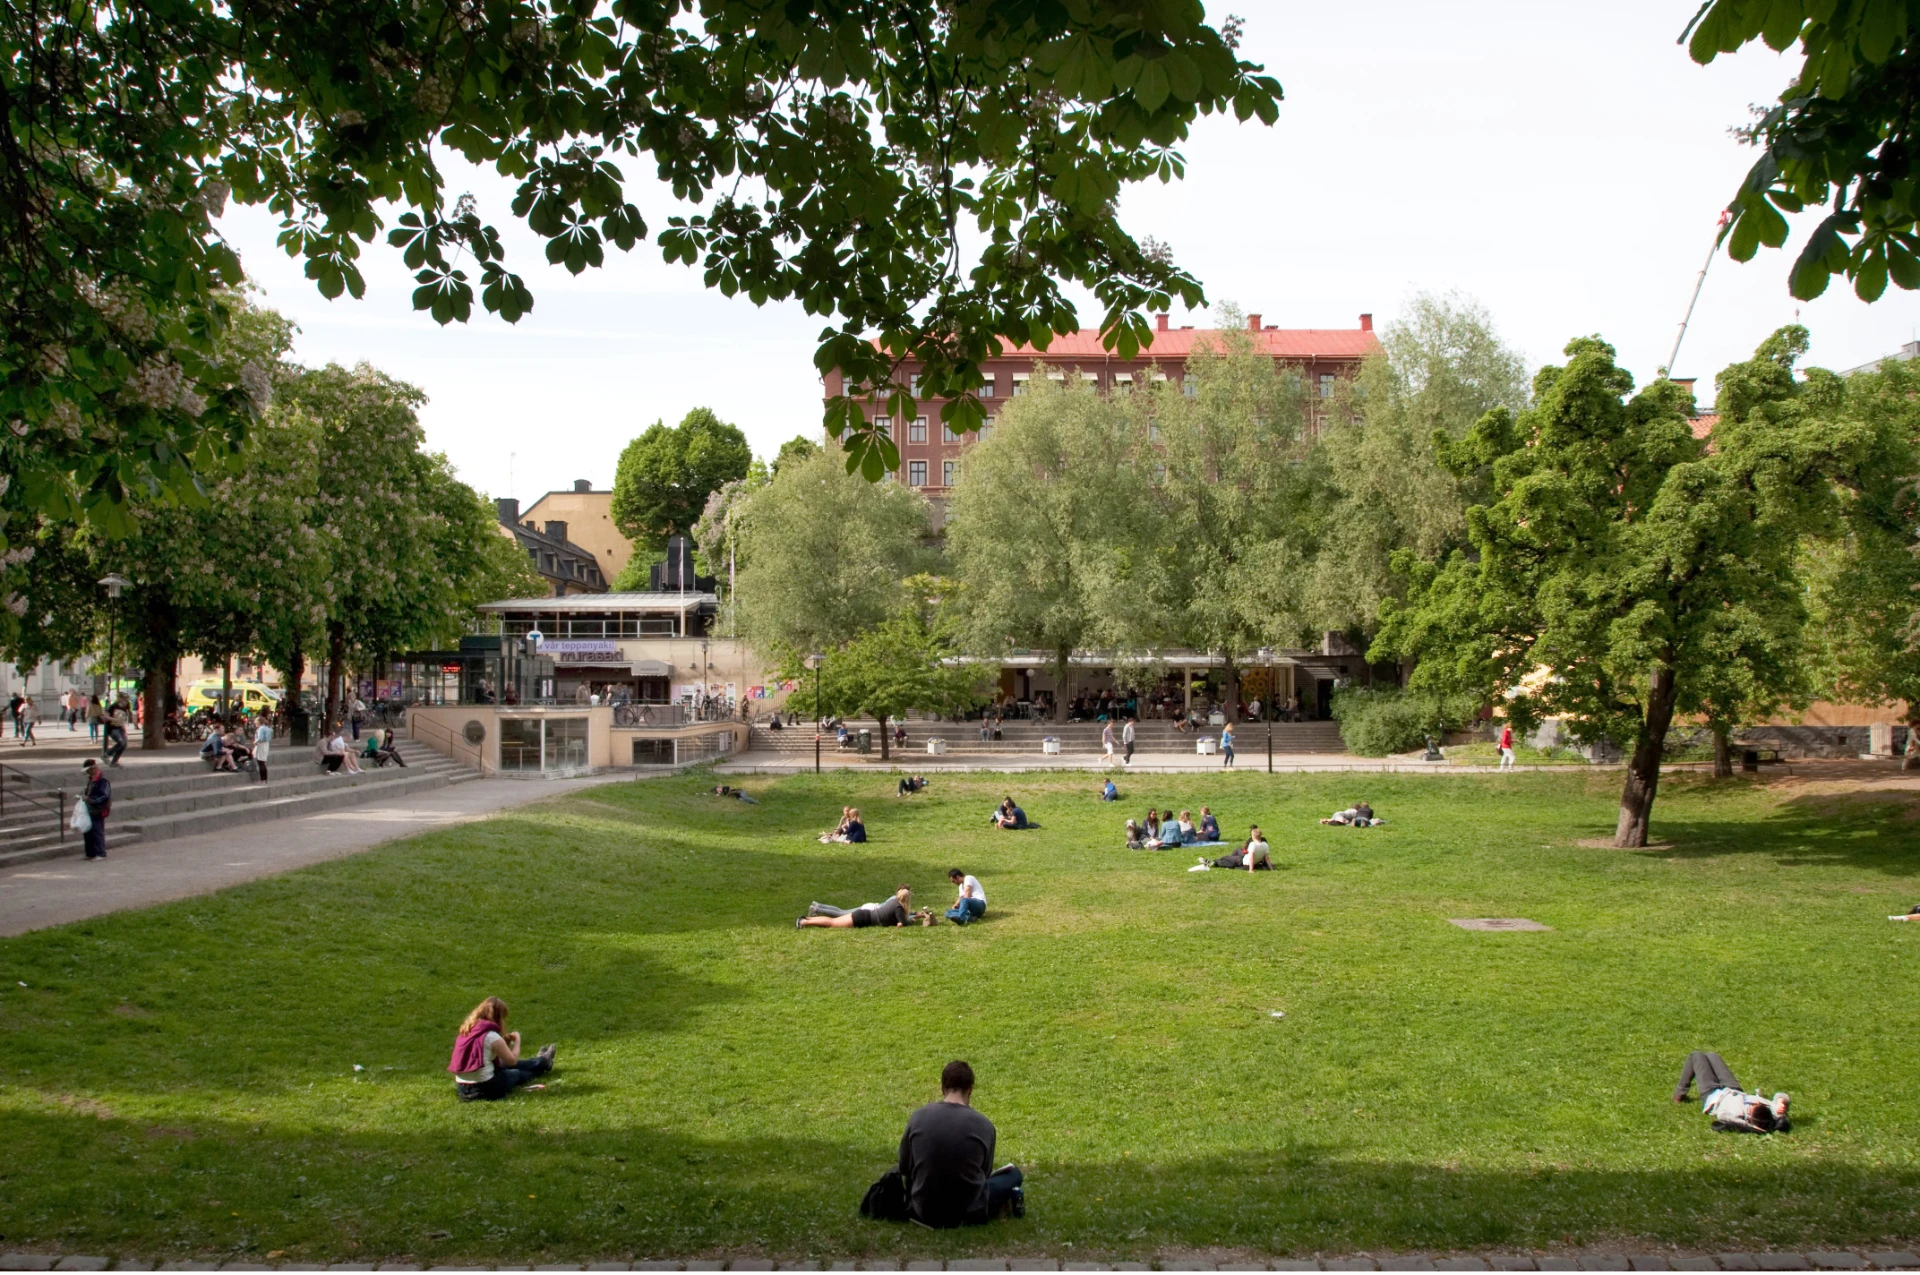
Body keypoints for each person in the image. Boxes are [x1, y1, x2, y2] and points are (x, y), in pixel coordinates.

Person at [896, 1061, 1024, 1227]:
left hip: (924, 1209)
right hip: (967, 1211)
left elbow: (904, 1166)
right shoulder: (984, 1125)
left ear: (942, 1088)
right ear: (970, 1090)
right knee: (1014, 1175)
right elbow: (984, 1173)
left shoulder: (919, 1116)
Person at [448, 996, 556, 1102]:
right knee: (516, 1073)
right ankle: (543, 1064)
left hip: (462, 1088)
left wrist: (505, 1044)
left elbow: (491, 1057)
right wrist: (517, 1040)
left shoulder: (466, 1031)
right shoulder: (491, 1036)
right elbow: (512, 1061)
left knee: (503, 1066)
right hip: (486, 1087)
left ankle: (542, 1061)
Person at [1672, 1051, 1789, 1133]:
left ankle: (1679, 1094)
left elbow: (1728, 1121)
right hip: (1733, 1088)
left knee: (1696, 1055)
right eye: (1757, 1103)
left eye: (1752, 1107)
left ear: (1749, 1118)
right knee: (1712, 1055)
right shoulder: (1767, 1111)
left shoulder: (1734, 1114)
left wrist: (1752, 1128)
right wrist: (1781, 1101)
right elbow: (1783, 1097)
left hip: (1712, 1094)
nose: (1755, 1103)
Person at [799, 886, 923, 928]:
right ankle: (804, 921)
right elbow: (904, 922)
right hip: (862, 918)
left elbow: (901, 920)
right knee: (832, 922)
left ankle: (806, 920)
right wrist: (913, 920)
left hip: (863, 914)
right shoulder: (899, 908)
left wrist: (914, 917)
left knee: (835, 918)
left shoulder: (893, 901)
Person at [80, 758, 110, 860]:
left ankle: (100, 853)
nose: (87, 773)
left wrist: (90, 799)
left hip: (97, 809)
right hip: (90, 808)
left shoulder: (102, 781)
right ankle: (90, 852)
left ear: (93, 769)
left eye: (88, 771)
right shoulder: (91, 781)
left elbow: (104, 796)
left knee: (97, 831)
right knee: (88, 831)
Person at [252, 716, 273, 783]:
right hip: (266, 745)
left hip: (261, 745)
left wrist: (255, 741)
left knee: (260, 763)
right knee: (262, 762)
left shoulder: (261, 729)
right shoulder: (267, 728)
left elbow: (260, 738)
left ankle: (262, 779)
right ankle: (265, 778)